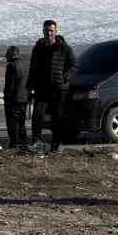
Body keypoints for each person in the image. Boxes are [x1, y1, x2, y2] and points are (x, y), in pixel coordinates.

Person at [27, 20, 77, 154]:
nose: (49, 33)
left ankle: (57, 144)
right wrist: (29, 87)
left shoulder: (64, 48)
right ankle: (36, 143)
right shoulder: (38, 48)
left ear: (56, 31)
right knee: (37, 116)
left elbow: (73, 65)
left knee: (57, 118)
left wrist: (64, 77)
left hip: (58, 89)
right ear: (43, 32)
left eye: (51, 30)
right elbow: (32, 69)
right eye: (46, 30)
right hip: (41, 89)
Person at [2, 45, 28, 150]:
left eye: (7, 54)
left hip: (13, 100)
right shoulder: (25, 65)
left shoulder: (11, 66)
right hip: (24, 99)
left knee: (13, 124)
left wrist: (6, 99)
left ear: (11, 54)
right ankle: (23, 143)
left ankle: (14, 144)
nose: (6, 56)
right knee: (22, 122)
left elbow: (9, 86)